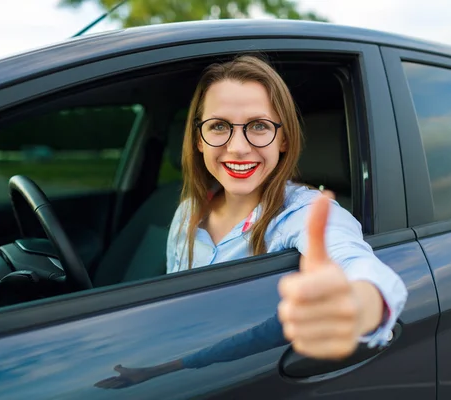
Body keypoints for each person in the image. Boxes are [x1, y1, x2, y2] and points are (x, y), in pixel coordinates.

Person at [94, 54, 408, 390]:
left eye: (259, 126)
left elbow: (355, 262)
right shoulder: (188, 210)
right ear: (199, 139)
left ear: (283, 139)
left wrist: (358, 304)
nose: (238, 147)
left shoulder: (304, 213)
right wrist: (153, 370)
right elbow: (179, 317)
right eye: (218, 126)